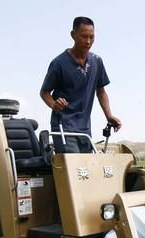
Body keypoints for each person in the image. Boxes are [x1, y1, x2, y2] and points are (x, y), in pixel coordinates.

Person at [40, 16, 122, 153]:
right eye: (84, 37)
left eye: (92, 37)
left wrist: (109, 115)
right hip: (63, 127)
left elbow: (101, 91)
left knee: (86, 169)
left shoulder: (97, 61)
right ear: (73, 35)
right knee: (74, 169)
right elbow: (44, 92)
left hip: (84, 128)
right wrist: (54, 104)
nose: (88, 41)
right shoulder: (59, 63)